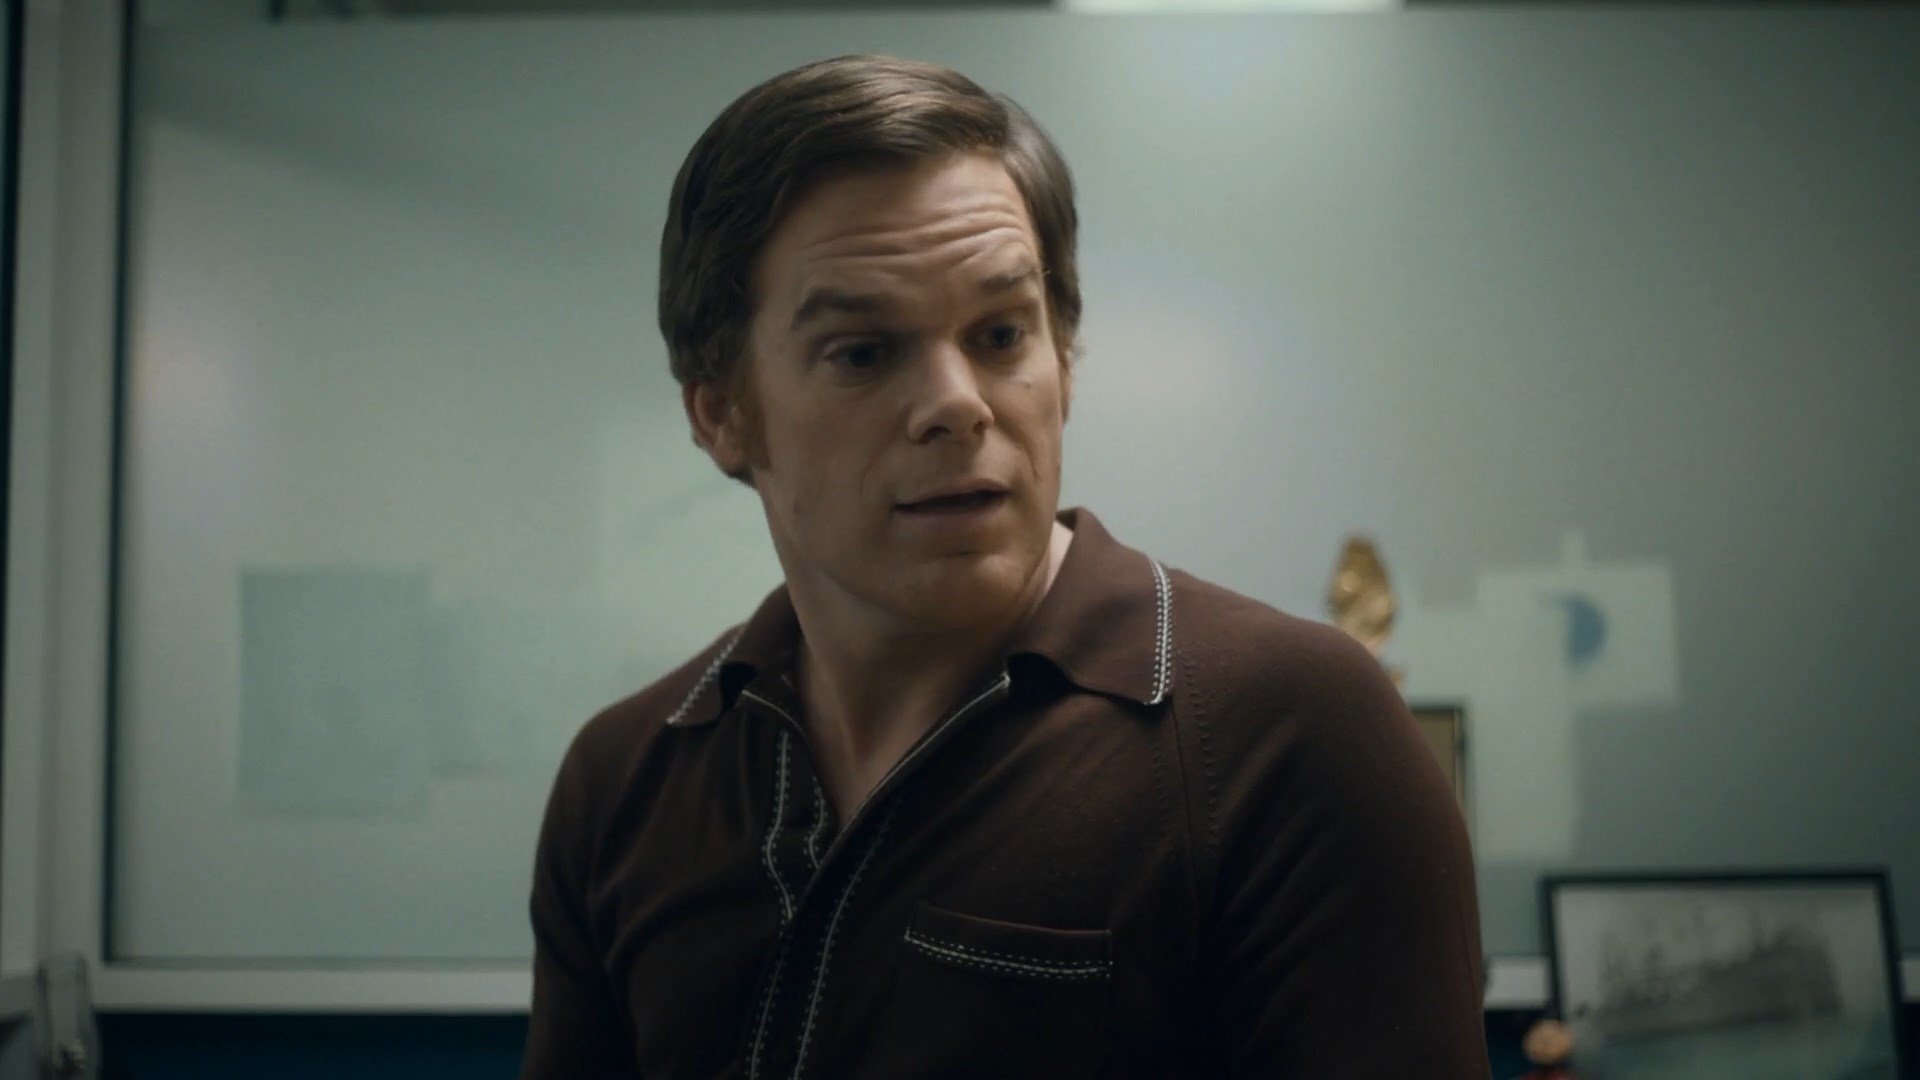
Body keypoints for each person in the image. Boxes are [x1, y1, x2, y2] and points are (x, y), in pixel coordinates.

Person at [522, 54, 1488, 1079]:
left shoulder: (1287, 733)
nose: (958, 403)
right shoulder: (626, 778)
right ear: (722, 413)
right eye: (862, 352)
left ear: (1063, 363)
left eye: (999, 334)